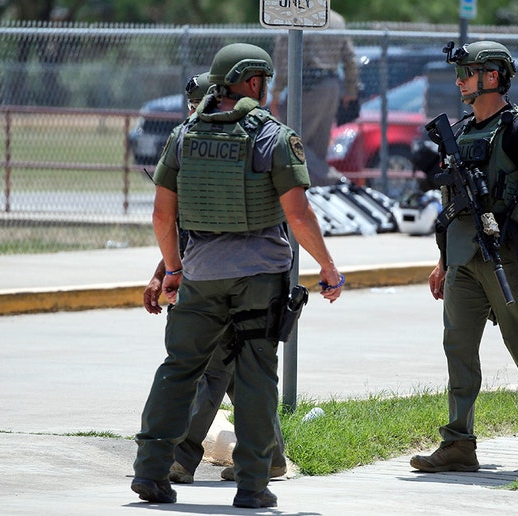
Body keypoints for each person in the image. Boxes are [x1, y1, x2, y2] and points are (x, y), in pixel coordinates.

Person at [131, 42, 345, 509]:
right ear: (252, 81)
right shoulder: (273, 136)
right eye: (264, 81)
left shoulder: (184, 134)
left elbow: (162, 217)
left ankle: (150, 471)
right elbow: (300, 215)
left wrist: (172, 270)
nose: (267, 89)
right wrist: (327, 267)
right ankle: (252, 486)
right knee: (254, 377)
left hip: (200, 275)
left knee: (179, 369)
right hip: (259, 278)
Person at [409, 41, 518, 474]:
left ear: (494, 76)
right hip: (463, 260)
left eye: (468, 71)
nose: (459, 79)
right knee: (458, 348)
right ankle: (459, 443)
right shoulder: (460, 132)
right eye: (460, 72)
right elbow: (451, 209)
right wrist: (443, 262)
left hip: (512, 259)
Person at [141, 71, 288, 487]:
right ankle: (270, 456)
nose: (192, 112)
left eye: (198, 103)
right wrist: (162, 273)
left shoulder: (242, 144)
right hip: (207, 274)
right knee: (240, 373)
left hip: (229, 279)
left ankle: (177, 458)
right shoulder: (196, 141)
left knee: (209, 371)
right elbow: (183, 226)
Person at [269, 9, 358, 186]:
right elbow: (350, 59)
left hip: (306, 86)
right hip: (332, 86)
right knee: (318, 148)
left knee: (289, 141)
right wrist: (350, 91)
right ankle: (317, 192)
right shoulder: (337, 19)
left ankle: (333, 179)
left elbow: (284, 58)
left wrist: (276, 92)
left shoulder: (297, 15)